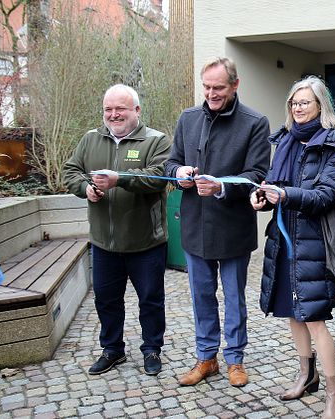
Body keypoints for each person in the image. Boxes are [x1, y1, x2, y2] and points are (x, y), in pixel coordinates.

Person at [164, 57, 270, 387]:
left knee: (235, 298)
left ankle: (235, 359)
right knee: (202, 297)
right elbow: (171, 162)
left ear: (235, 85)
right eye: (206, 87)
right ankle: (206, 358)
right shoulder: (187, 118)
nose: (211, 94)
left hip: (234, 227)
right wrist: (178, 174)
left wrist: (222, 186)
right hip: (196, 227)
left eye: (218, 88)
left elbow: (257, 175)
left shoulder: (255, 122)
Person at [250, 76, 335, 418]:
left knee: (315, 319)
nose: (298, 108)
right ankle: (307, 377)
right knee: (293, 314)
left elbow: (325, 196)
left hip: (315, 244)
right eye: (294, 102)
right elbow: (274, 186)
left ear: (321, 106)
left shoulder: (333, 144)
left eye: (305, 102)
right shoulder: (287, 141)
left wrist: (286, 195)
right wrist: (261, 197)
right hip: (284, 241)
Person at [63, 84, 170, 376]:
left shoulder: (156, 140)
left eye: (120, 108)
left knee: (151, 300)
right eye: (108, 109)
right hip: (103, 244)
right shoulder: (90, 140)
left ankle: (151, 349)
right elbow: (70, 170)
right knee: (106, 300)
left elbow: (159, 177)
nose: (114, 114)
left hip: (146, 243)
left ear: (136, 110)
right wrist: (85, 188)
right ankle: (112, 350)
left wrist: (118, 179)